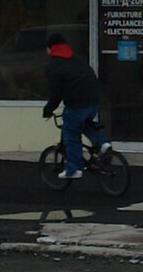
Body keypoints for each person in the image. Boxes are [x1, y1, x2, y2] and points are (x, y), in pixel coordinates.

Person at [42, 35, 111, 182]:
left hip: (77, 103)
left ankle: (73, 169)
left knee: (71, 135)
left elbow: (56, 94)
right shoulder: (77, 59)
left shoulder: (54, 66)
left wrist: (48, 110)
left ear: (50, 49)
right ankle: (102, 143)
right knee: (84, 123)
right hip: (94, 99)